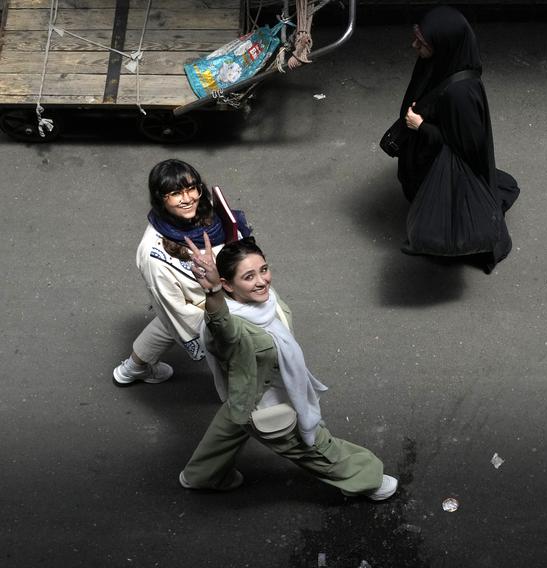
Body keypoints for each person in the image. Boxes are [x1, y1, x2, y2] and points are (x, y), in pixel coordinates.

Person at [177, 234, 397, 500]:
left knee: (235, 417)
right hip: (266, 404)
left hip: (247, 388)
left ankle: (202, 474)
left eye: (264, 270)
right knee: (314, 446)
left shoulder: (263, 302)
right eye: (248, 277)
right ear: (227, 285)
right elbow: (221, 327)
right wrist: (211, 292)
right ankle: (366, 479)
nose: (262, 281)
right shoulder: (229, 327)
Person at [395, 5, 520, 273]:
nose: (414, 45)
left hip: (444, 165)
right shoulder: (442, 64)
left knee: (443, 221)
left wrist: (421, 126)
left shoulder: (459, 93)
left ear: (444, 44)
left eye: (422, 42)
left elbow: (466, 147)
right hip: (430, 156)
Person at [112, 159, 252, 386]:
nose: (187, 199)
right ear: (160, 199)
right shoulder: (152, 254)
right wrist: (221, 330)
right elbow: (175, 308)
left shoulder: (203, 205)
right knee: (236, 353)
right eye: (176, 193)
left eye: (191, 189)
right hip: (204, 306)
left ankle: (133, 368)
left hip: (220, 291)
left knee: (165, 325)